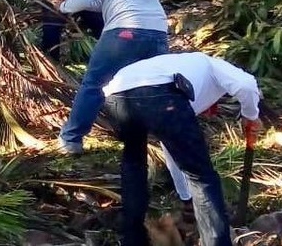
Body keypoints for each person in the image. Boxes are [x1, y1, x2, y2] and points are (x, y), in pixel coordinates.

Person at [101, 52, 262, 246]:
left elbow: (173, 151)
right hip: (159, 93)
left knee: (134, 166)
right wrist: (251, 116)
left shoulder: (180, 66)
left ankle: (134, 240)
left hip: (115, 97)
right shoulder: (212, 64)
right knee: (203, 178)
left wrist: (186, 197)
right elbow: (247, 85)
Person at [52, 0, 169, 154]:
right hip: (157, 31)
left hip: (126, 30)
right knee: (151, 87)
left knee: (94, 83)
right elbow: (101, 2)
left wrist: (63, 6)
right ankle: (163, 138)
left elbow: (85, 0)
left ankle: (71, 139)